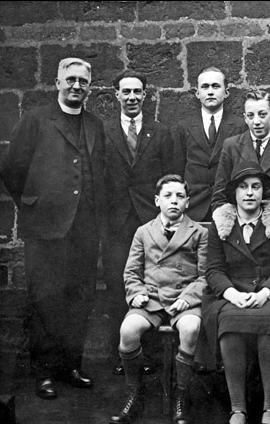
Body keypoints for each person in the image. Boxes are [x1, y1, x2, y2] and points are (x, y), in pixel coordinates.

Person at [1, 57, 106, 400]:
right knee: (45, 299)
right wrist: (33, 205)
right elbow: (12, 170)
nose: (77, 86)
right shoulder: (35, 121)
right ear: (57, 83)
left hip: (84, 230)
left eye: (83, 82)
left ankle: (70, 366)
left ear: (89, 87)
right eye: (71, 80)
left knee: (79, 297)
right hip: (45, 230)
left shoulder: (94, 125)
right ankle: (44, 372)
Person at [201, 161, 270, 424]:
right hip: (231, 293)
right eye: (243, 187)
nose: (249, 193)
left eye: (256, 187)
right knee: (229, 319)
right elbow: (214, 270)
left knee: (268, 319)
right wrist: (231, 293)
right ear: (234, 194)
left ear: (264, 192)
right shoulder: (221, 223)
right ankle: (238, 409)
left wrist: (264, 292)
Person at [109, 174, 208, 424]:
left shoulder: (199, 233)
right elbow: (131, 272)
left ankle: (181, 396)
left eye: (179, 196)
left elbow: (206, 275)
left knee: (190, 329)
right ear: (157, 201)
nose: (173, 201)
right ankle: (135, 393)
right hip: (151, 298)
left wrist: (187, 299)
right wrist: (136, 293)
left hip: (184, 297)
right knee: (128, 331)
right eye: (168, 196)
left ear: (187, 202)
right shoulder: (143, 232)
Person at [104, 69, 174, 376]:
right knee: (119, 283)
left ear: (145, 96)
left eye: (137, 92)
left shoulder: (160, 132)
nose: (132, 97)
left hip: (150, 221)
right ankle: (124, 355)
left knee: (155, 284)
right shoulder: (104, 132)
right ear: (117, 96)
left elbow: (171, 174)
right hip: (116, 221)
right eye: (126, 92)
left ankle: (155, 356)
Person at [173, 66, 247, 222]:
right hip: (193, 205)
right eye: (205, 87)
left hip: (227, 205)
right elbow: (178, 169)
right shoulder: (184, 126)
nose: (210, 91)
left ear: (226, 92)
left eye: (216, 86)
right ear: (197, 93)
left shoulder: (240, 126)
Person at [211, 90, 270, 216]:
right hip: (240, 225)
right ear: (245, 118)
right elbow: (220, 196)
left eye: (262, 114)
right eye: (251, 116)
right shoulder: (231, 146)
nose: (256, 121)